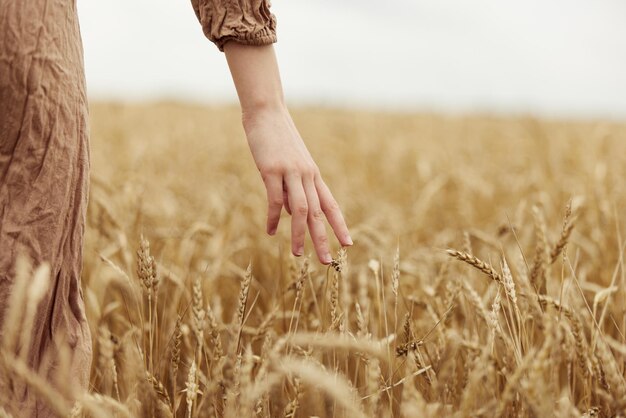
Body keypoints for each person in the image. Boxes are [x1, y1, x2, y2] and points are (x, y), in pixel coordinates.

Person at [0, 0, 352, 415]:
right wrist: (265, 105)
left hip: (22, 46)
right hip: (24, 46)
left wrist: (266, 108)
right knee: (28, 347)